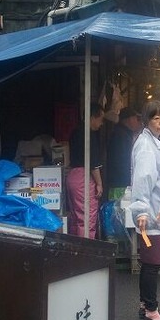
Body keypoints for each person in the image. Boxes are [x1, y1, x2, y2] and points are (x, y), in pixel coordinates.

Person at [129, 100, 160, 320]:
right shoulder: (147, 146)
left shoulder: (155, 142)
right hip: (150, 215)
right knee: (152, 263)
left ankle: (145, 305)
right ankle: (151, 311)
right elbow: (143, 180)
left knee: (150, 261)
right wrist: (141, 211)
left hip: (157, 212)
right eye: (156, 118)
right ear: (147, 121)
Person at [66, 102, 104, 238]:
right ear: (93, 117)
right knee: (87, 218)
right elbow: (93, 162)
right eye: (101, 119)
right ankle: (86, 253)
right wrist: (99, 183)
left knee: (76, 217)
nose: (101, 123)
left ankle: (75, 250)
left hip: (72, 176)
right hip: (83, 177)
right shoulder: (89, 135)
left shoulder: (75, 132)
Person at [105, 107, 141, 199]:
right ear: (129, 119)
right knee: (120, 208)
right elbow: (122, 161)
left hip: (121, 181)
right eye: (136, 119)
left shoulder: (125, 133)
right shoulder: (120, 135)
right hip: (120, 183)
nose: (138, 122)